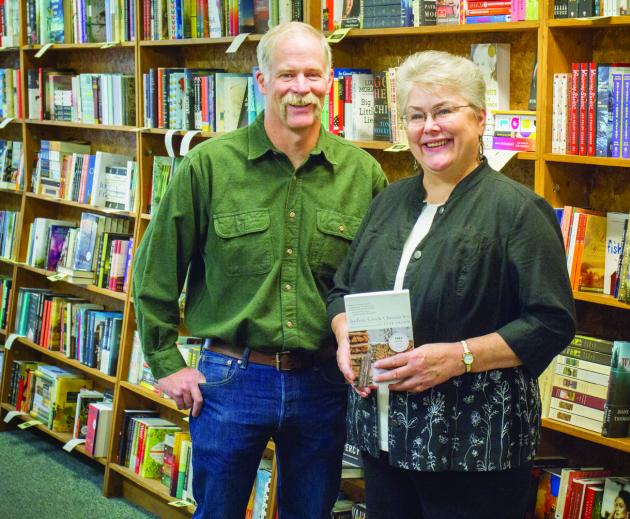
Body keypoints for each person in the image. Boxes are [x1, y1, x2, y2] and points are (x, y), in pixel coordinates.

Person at [132, 22, 388, 519]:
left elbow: (372, 282)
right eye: (287, 74)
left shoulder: (363, 175)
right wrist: (165, 362)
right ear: (262, 81)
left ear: (329, 82)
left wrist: (370, 361)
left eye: (313, 75)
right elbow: (156, 271)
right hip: (232, 379)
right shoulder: (208, 167)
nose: (301, 88)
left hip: (323, 385)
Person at [327, 50, 576, 519]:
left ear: (480, 119)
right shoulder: (388, 202)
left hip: (472, 452)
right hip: (383, 443)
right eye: (416, 116)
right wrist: (344, 335)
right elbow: (342, 290)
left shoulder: (518, 211)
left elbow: (551, 322)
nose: (430, 127)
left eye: (444, 111)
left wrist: (458, 358)